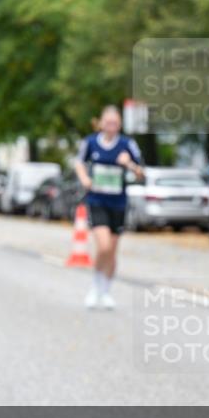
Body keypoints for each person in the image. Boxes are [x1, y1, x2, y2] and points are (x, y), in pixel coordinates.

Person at [73, 105, 145, 309]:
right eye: (108, 122)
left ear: (119, 124)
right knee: (103, 246)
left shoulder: (127, 144)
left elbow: (141, 172)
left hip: (118, 203)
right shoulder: (90, 142)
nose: (111, 126)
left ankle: (105, 291)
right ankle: (95, 287)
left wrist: (129, 164)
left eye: (115, 123)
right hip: (97, 200)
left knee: (112, 251)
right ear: (101, 123)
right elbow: (78, 162)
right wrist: (84, 178)